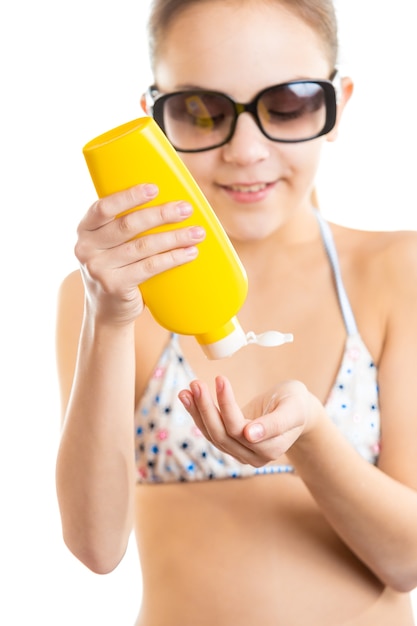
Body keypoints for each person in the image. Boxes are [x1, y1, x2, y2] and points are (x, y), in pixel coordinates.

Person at [55, 0, 417, 624]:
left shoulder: (396, 271)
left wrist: (309, 438)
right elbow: (96, 547)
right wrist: (108, 317)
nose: (246, 151)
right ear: (153, 121)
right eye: (202, 111)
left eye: (289, 103)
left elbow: (408, 561)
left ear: (337, 105)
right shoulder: (107, 296)